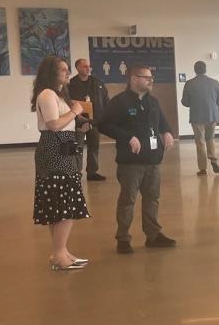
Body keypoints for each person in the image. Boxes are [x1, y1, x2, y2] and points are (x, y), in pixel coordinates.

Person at [97, 64, 177, 254]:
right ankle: (123, 238)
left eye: (151, 77)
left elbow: (162, 121)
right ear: (133, 79)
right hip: (131, 162)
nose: (151, 80)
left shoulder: (153, 102)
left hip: (153, 160)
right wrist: (127, 137)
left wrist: (167, 132)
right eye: (146, 77)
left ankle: (153, 235)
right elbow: (104, 125)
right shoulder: (120, 102)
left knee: (152, 198)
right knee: (128, 200)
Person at [31, 55, 91, 270]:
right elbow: (54, 124)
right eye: (63, 69)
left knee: (59, 204)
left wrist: (78, 126)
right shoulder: (47, 94)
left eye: (67, 69)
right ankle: (58, 254)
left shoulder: (59, 95)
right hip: (54, 150)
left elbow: (62, 125)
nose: (67, 73)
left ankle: (61, 251)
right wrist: (75, 111)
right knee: (66, 203)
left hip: (63, 146)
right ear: (51, 72)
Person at [68, 57, 109, 181]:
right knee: (78, 147)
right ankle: (76, 172)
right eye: (85, 66)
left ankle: (92, 172)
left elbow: (106, 99)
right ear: (78, 68)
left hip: (94, 121)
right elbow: (66, 102)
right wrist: (75, 115)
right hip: (78, 120)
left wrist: (106, 116)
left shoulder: (98, 83)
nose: (88, 68)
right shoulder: (71, 84)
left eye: (89, 66)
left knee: (94, 146)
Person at [181, 60, 219, 176]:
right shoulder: (215, 82)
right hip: (212, 115)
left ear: (195, 70)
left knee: (200, 142)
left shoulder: (189, 83)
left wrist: (193, 103)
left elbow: (185, 102)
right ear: (205, 69)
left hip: (197, 116)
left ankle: (203, 168)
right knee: (210, 138)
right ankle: (213, 159)